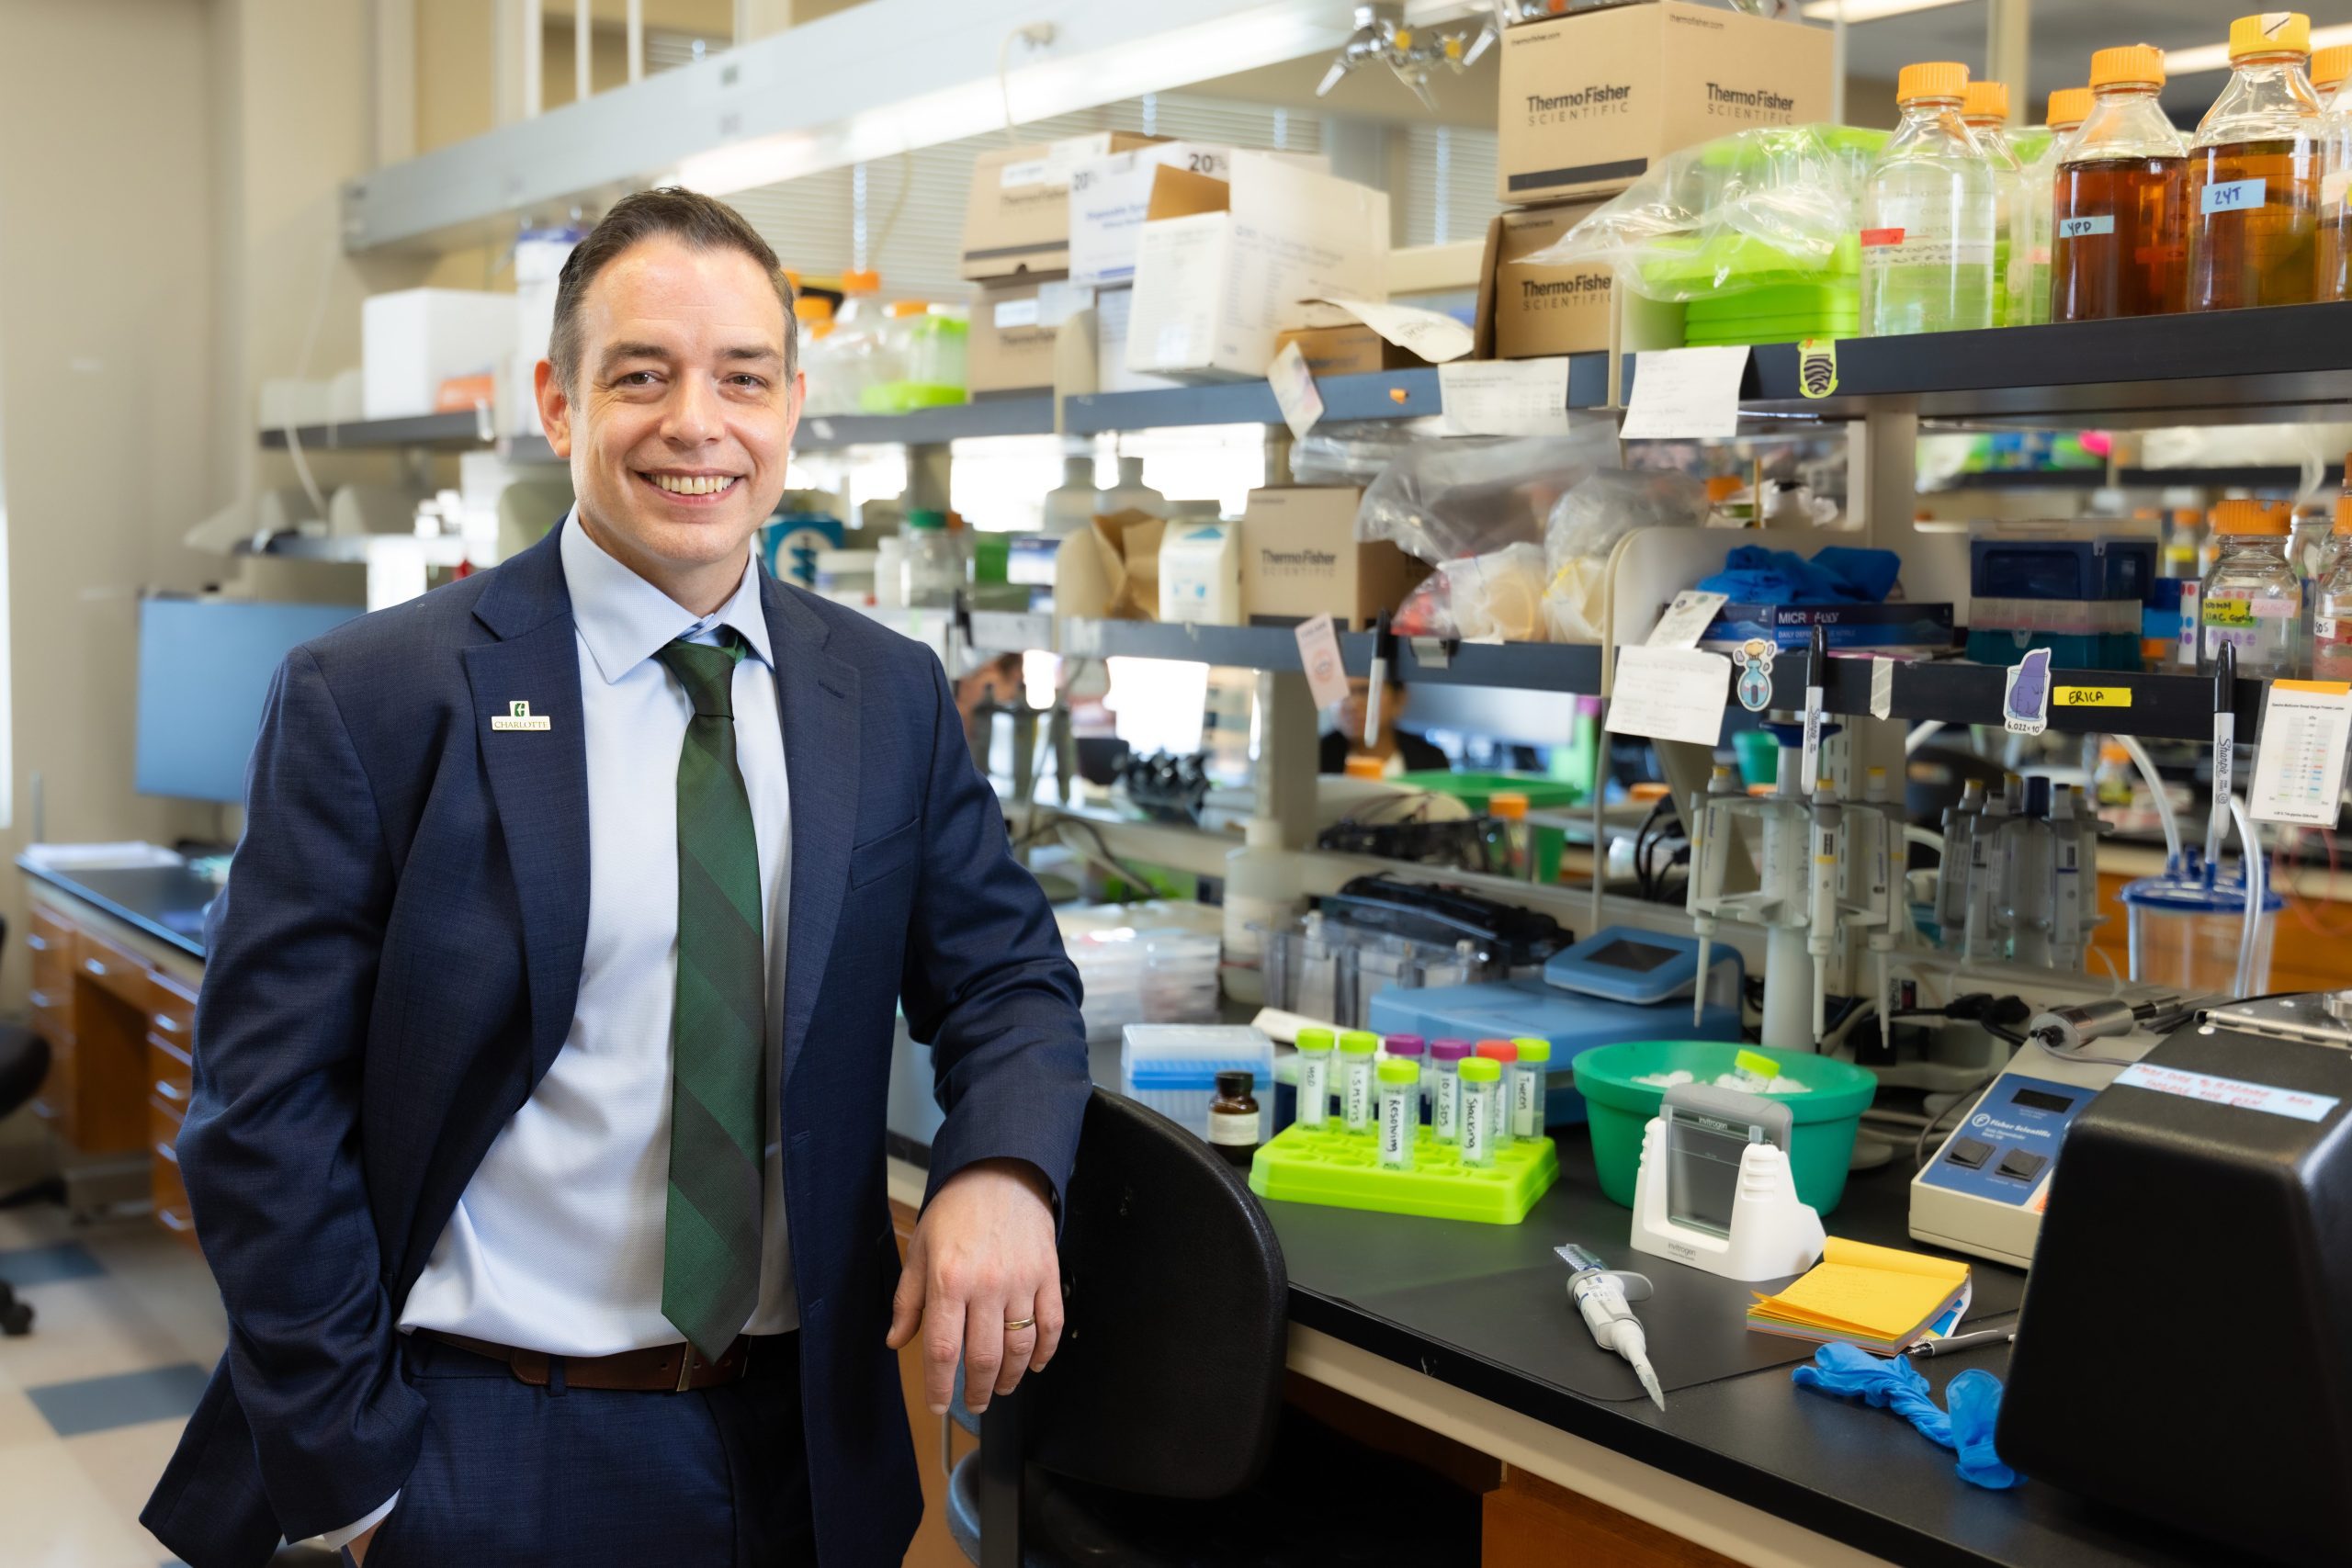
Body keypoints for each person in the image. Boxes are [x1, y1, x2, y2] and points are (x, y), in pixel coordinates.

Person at [142, 188, 1090, 1568]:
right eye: (640, 374)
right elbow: (260, 1114)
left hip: (801, 1453)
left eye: (741, 378)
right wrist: (356, 1477)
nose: (695, 422)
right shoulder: (380, 695)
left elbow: (1006, 976)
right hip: (486, 1440)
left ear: (792, 406)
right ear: (558, 400)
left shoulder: (880, 693)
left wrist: (1002, 1167)